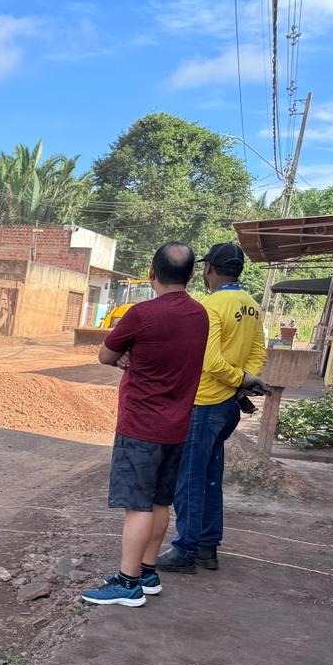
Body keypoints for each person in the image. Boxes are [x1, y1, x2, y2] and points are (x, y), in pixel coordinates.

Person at [82, 242, 209, 607]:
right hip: (177, 427)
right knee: (159, 501)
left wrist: (126, 356)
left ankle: (128, 583)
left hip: (141, 426)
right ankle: (148, 572)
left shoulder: (141, 314)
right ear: (191, 275)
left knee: (137, 506)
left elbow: (105, 354)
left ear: (152, 273)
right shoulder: (200, 315)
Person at [158, 242, 266, 574]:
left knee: (189, 478)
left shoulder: (210, 306)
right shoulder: (252, 306)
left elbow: (210, 361)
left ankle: (185, 549)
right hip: (228, 406)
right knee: (210, 477)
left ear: (209, 270)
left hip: (203, 403)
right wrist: (242, 383)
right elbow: (258, 354)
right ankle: (208, 547)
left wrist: (236, 379)